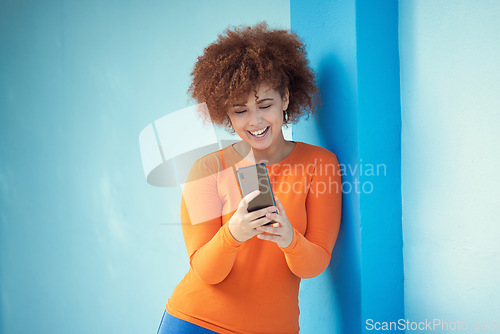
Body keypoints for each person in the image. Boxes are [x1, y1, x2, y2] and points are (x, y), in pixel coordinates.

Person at [157, 22, 342, 334]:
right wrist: (234, 233)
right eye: (239, 111)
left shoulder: (319, 164)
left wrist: (289, 238)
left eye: (265, 105)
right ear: (225, 115)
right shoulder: (206, 170)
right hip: (195, 323)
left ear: (285, 99)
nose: (255, 121)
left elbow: (315, 265)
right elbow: (206, 270)